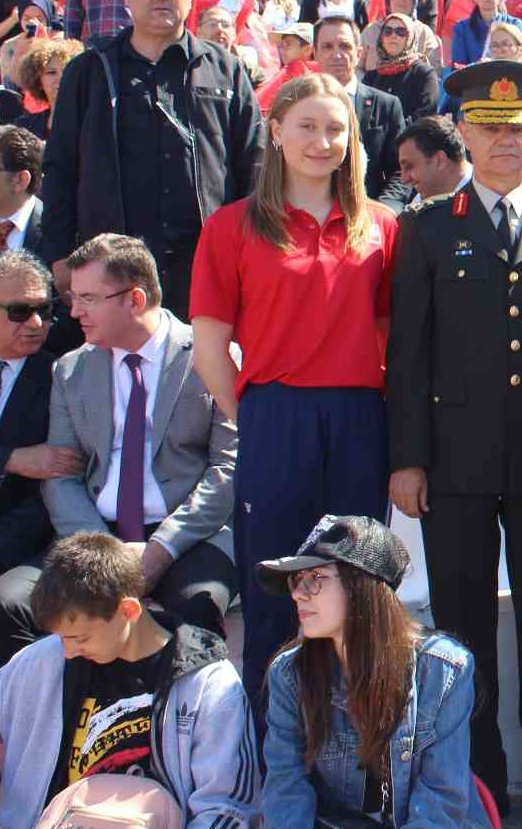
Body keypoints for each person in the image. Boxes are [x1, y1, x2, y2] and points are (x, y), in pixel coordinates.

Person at [386, 59, 522, 816]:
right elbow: (407, 353)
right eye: (491, 128)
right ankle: (480, 791)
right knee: (463, 635)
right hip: (455, 464)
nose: (506, 142)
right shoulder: (429, 228)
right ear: (464, 132)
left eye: (520, 129)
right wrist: (407, 459)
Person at [188, 73, 398, 712]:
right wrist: (253, 418)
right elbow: (208, 348)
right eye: (306, 125)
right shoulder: (231, 227)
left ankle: (358, 749)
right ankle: (270, 757)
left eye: (336, 128)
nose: (322, 140)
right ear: (275, 132)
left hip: (361, 418)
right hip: (275, 415)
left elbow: (391, 335)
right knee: (276, 591)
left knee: (358, 590)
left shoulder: (383, 228)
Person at [0, 233, 239, 669]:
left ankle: (171, 730)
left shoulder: (211, 356)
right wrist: (103, 551)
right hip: (94, 534)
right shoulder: (70, 369)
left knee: (197, 603)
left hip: (186, 536)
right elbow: (61, 477)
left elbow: (227, 470)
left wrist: (161, 549)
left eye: (87, 298)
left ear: (134, 299)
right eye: (72, 297)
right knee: (9, 600)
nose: (73, 312)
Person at [42, 0, 264, 322]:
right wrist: (61, 255)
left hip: (207, 264)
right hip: (112, 265)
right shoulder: (89, 71)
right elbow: (61, 166)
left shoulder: (225, 69)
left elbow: (254, 162)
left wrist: (251, 248)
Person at [0, 532, 259, 826]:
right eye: (62, 638)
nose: (68, 651)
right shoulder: (44, 660)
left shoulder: (207, 683)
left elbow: (226, 808)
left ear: (128, 611)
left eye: (81, 638)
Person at [258, 515, 489, 826]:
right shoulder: (289, 674)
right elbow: (285, 790)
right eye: (296, 581)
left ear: (360, 587)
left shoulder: (444, 670)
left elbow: (441, 802)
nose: (299, 593)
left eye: (314, 577)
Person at [0, 250, 65, 588]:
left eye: (45, 310)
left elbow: (53, 487)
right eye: (20, 312)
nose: (36, 324)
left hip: (11, 548)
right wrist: (8, 458)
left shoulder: (63, 379)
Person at [314, 16, 410, 209]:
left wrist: (383, 213)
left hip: (370, 215)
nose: (337, 54)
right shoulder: (297, 104)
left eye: (344, 46)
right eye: (327, 47)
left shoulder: (387, 105)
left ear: (359, 53)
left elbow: (401, 170)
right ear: (315, 53)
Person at [363, 12, 440, 122]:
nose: (393, 35)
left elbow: (425, 114)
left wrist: (396, 131)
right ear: (381, 39)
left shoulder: (424, 74)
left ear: (410, 38)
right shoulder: (371, 77)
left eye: (401, 32)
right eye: (387, 31)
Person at [393, 116, 471, 204]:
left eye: (409, 166)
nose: (403, 179)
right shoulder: (420, 203)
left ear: (440, 160)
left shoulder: (484, 197)